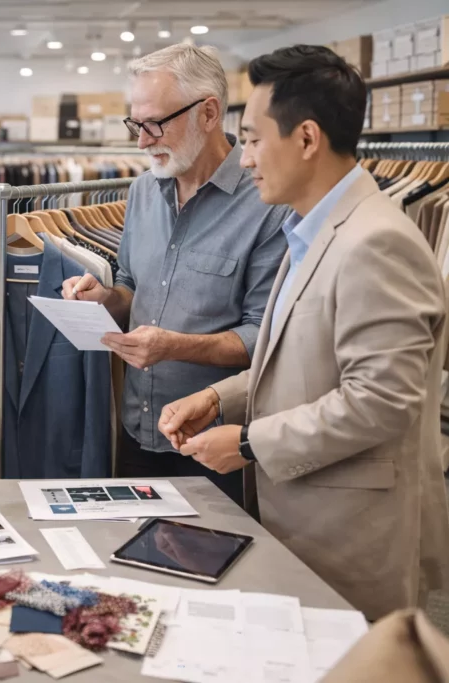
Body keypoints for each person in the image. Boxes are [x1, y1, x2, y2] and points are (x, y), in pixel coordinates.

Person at [160, 45, 449, 621]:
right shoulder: (309, 230)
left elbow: (380, 402)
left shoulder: (376, 242)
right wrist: (220, 396)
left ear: (308, 138)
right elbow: (299, 362)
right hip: (303, 517)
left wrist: (247, 442)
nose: (244, 160)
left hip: (354, 538)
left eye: (253, 139)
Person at [63, 43, 288, 506]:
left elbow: (264, 338)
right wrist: (104, 297)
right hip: (137, 432)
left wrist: (174, 346)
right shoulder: (144, 190)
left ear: (209, 113)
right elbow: (131, 283)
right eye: (135, 124)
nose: (142, 141)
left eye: (154, 124)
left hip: (215, 444)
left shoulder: (267, 204)